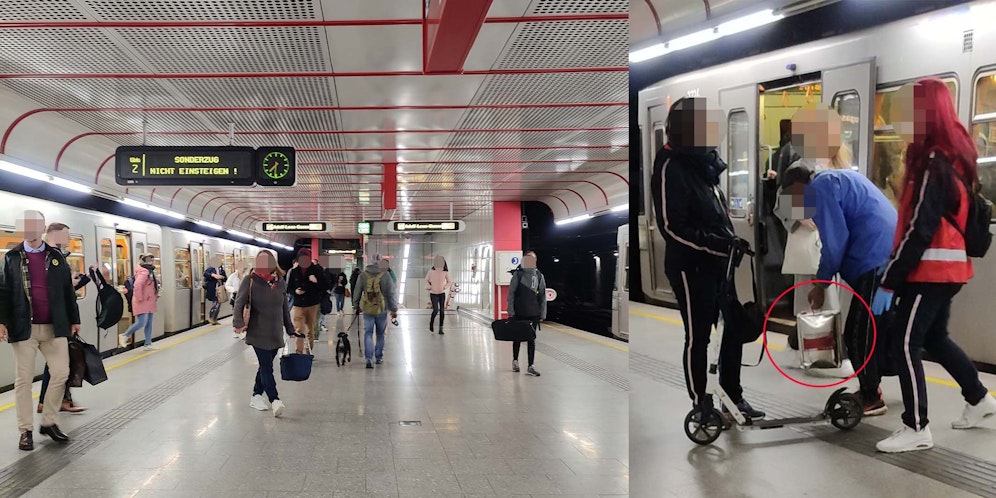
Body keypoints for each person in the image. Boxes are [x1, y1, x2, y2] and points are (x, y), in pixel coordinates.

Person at [873, 78, 996, 453]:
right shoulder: (954, 157)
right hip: (948, 269)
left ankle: (916, 427)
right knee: (934, 338)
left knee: (905, 342)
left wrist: (890, 280)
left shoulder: (931, 162)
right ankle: (978, 400)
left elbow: (919, 228)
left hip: (929, 270)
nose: (898, 119)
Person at [650, 97, 765, 420]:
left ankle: (732, 397)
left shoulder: (703, 164)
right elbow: (672, 228)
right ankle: (701, 403)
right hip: (690, 267)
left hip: (720, 262)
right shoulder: (671, 165)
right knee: (698, 336)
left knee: (734, 328)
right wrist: (718, 245)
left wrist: (729, 243)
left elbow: (715, 213)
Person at [779, 157, 897, 415]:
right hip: (882, 253)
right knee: (873, 327)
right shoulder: (834, 178)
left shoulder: (820, 189)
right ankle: (875, 382)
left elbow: (834, 243)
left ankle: (871, 395)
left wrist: (820, 283)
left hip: (874, 257)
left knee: (858, 332)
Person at [0, 210, 78, 451]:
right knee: (23, 381)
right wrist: (1, 321)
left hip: (55, 327)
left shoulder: (56, 256)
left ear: (43, 228)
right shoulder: (11, 257)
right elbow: (2, 292)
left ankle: (49, 421)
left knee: (61, 373)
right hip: (24, 328)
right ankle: (26, 431)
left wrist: (74, 319)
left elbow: (68, 291)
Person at [232, 250, 296, 418]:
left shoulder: (280, 282)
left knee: (264, 366)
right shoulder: (250, 280)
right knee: (266, 365)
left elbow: (284, 309)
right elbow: (239, 303)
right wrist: (237, 322)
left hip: (275, 332)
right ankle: (275, 400)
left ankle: (256, 395)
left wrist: (290, 329)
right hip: (257, 331)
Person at [37, 223, 86, 414]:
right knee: (58, 363)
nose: (68, 239)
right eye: (66, 236)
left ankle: (60, 400)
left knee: (59, 363)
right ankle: (52, 401)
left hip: (59, 318)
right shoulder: (49, 257)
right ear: (54, 235)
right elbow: (60, 292)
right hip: (54, 320)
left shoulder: (57, 257)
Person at [352, 254, 399, 369]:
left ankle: (369, 358)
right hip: (382, 309)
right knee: (380, 333)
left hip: (367, 308)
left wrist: (356, 305)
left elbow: (357, 290)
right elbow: (391, 293)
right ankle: (378, 357)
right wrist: (393, 309)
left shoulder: (363, 275)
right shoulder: (386, 274)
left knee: (368, 333)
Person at [507, 252, 545, 376]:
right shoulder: (518, 274)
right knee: (517, 338)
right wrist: (511, 312)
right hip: (519, 312)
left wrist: (542, 313)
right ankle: (515, 361)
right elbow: (511, 294)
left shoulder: (539, 276)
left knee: (531, 339)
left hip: (533, 313)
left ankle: (530, 365)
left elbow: (543, 296)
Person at [286, 248, 329, 353]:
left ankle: (308, 351)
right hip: (299, 304)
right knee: (299, 329)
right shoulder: (294, 272)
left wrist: (316, 281)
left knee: (310, 330)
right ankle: (299, 352)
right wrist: (295, 291)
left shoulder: (317, 270)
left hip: (312, 304)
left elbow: (326, 285)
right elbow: (289, 288)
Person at [120, 253, 160, 350]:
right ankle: (125, 335)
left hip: (149, 301)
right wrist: (139, 298)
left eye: (152, 259)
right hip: (142, 301)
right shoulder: (144, 272)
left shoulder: (149, 271)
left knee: (149, 323)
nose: (152, 261)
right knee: (142, 322)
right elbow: (137, 285)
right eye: (150, 259)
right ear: (145, 261)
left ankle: (148, 343)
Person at [425, 256, 451, 334]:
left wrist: (444, 287)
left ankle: (441, 328)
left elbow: (449, 281)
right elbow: (426, 280)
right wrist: (429, 287)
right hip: (433, 294)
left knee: (442, 311)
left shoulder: (445, 272)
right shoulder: (431, 271)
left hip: (441, 294)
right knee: (435, 310)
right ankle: (431, 323)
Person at [203, 257, 226, 325]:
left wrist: (222, 277)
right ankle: (211, 317)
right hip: (213, 289)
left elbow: (225, 278)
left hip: (220, 290)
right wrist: (213, 275)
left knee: (218, 304)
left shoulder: (222, 270)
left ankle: (214, 319)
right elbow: (205, 274)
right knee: (216, 303)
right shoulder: (210, 269)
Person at [225, 262, 245, 338]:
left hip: (245, 297)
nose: (241, 268)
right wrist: (233, 290)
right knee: (236, 314)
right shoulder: (233, 276)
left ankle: (243, 330)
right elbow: (227, 285)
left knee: (244, 314)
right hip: (235, 297)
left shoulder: (246, 276)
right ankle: (236, 331)